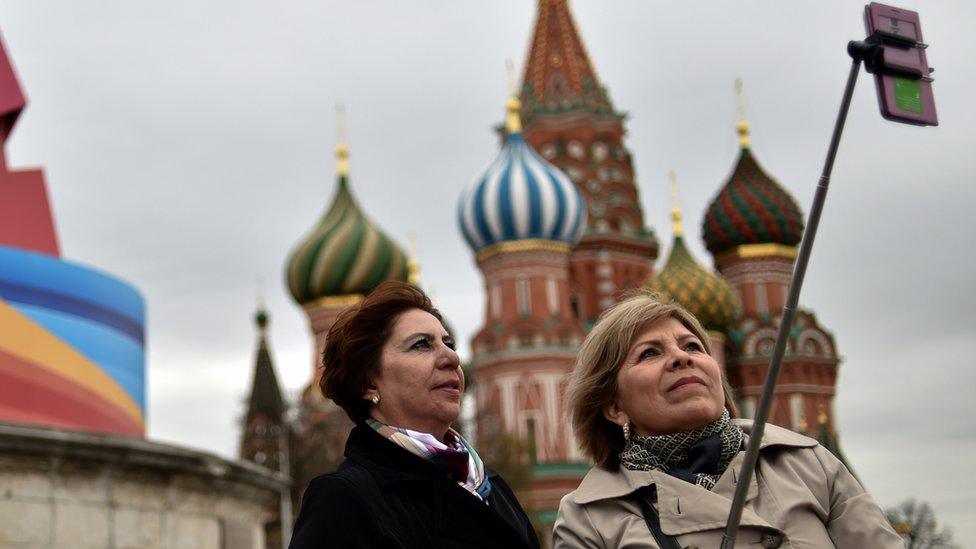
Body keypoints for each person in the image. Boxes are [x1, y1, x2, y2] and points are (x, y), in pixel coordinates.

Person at [554, 292, 903, 548]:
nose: (680, 358)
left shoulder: (805, 463)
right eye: (650, 353)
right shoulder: (590, 517)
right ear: (614, 407)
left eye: (692, 346)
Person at [289, 281, 539, 549]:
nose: (452, 358)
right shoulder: (345, 499)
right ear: (368, 383)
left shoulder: (491, 487)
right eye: (421, 345)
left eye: (449, 343)